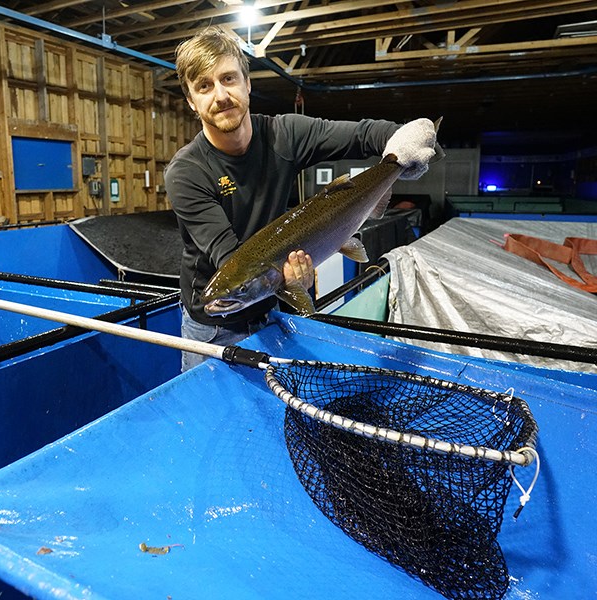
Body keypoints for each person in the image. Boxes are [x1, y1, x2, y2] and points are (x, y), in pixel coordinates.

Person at [164, 26, 439, 372]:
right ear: (191, 101)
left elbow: (366, 134)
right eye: (204, 86)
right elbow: (231, 260)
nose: (220, 95)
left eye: (228, 79)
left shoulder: (284, 135)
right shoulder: (187, 172)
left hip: (268, 308)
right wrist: (289, 282)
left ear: (248, 84)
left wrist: (405, 141)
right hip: (213, 326)